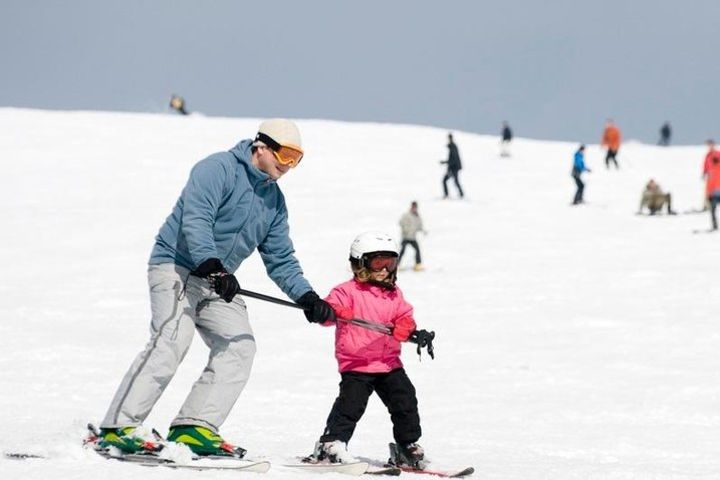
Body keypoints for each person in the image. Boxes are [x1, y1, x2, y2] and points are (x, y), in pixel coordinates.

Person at [95, 119, 336, 457]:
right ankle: (118, 427)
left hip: (217, 281)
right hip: (177, 266)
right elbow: (197, 218)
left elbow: (280, 259)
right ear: (261, 147)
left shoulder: (274, 202)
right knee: (173, 339)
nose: (288, 165)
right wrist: (212, 264)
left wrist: (306, 297)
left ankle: (193, 426)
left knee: (240, 345)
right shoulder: (218, 168)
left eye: (296, 159)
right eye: (285, 155)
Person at [305, 232, 434, 468]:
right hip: (357, 364)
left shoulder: (394, 293)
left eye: (390, 263)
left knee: (405, 401)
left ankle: (407, 447)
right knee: (350, 406)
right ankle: (331, 444)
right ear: (361, 263)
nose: (385, 269)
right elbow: (329, 312)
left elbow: (404, 314)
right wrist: (328, 311)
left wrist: (407, 327)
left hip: (389, 364)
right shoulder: (347, 291)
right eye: (378, 263)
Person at [398, 201, 426, 271]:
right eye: (413, 207)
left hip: (413, 237)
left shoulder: (417, 216)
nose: (414, 208)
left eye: (415, 207)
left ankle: (418, 264)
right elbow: (401, 222)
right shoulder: (406, 215)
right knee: (402, 251)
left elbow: (419, 225)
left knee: (417, 250)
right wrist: (405, 229)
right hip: (406, 236)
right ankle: (397, 265)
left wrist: (423, 231)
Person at [441, 133, 464, 199]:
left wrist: (446, 163)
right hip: (454, 167)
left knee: (446, 180)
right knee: (455, 181)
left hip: (454, 168)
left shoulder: (453, 147)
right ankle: (461, 194)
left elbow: (453, 159)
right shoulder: (452, 147)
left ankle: (447, 195)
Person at [701, 140, 720, 211]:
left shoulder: (717, 153)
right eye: (709, 145)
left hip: (717, 175)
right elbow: (705, 165)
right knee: (708, 191)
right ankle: (706, 205)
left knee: (716, 191)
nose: (710, 146)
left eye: (711, 145)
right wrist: (704, 172)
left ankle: (712, 205)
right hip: (710, 175)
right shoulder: (708, 155)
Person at [705, 155, 720, 230]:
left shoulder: (711, 171)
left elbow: (710, 184)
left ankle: (715, 226)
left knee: (713, 211)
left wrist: (708, 194)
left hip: (714, 195)